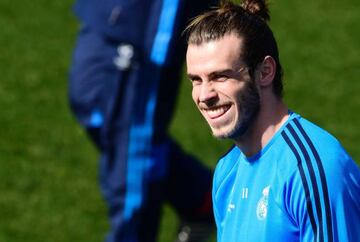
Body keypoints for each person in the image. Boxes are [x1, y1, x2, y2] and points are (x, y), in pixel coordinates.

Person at [185, 0, 360, 241]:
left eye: (220, 76)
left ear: (265, 72)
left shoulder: (313, 171)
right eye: (196, 79)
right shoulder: (227, 171)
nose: (204, 95)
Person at [68, 0, 218, 241]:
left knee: (130, 155)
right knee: (88, 101)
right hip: (106, 14)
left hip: (144, 30)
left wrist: (158, 36)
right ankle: (200, 196)